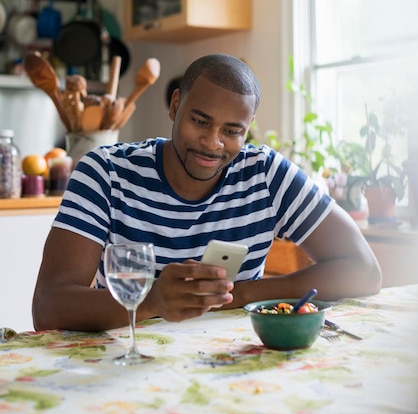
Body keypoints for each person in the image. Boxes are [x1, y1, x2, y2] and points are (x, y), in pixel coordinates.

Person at [33, 54, 381, 331]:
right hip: (124, 359)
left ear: (248, 131)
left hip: (229, 363)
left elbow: (364, 270)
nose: (213, 143)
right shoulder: (105, 172)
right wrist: (153, 301)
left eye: (232, 131)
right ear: (174, 106)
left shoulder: (265, 174)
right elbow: (48, 306)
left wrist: (239, 294)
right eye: (200, 121)